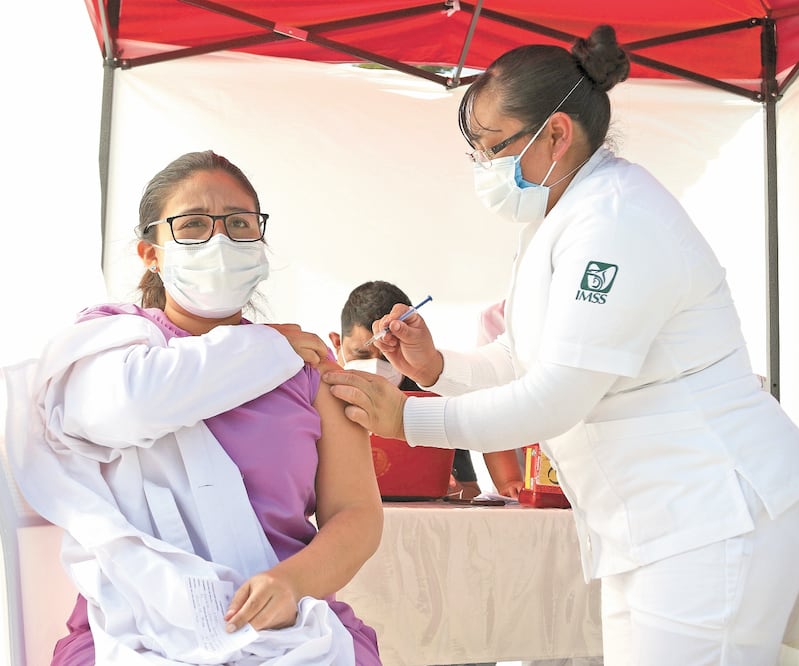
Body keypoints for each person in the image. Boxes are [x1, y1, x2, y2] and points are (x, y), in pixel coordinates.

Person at [322, 25, 799, 666]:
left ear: (555, 134)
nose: (484, 167)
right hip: (658, 524)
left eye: (493, 147)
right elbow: (524, 361)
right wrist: (435, 367)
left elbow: (554, 399)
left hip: (710, 511)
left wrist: (409, 418)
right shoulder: (562, 218)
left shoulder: (616, 221)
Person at [5, 150, 383, 665]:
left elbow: (357, 514)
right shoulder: (107, 351)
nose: (219, 241)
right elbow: (128, 406)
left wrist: (292, 583)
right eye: (193, 225)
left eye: (239, 223)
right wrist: (261, 348)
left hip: (294, 628)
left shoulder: (308, 369)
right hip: (132, 631)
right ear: (151, 254)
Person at [329, 279, 522, 499]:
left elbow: (469, 491)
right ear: (337, 343)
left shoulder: (434, 402)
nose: (375, 367)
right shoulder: (317, 397)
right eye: (361, 354)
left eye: (387, 356)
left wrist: (449, 489)